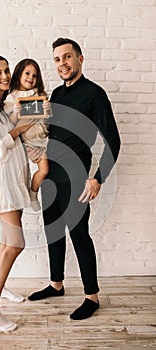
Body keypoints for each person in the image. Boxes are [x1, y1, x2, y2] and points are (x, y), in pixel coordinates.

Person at [27, 38, 121, 320]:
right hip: (49, 176)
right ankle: (56, 284)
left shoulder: (95, 94)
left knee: (79, 234)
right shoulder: (54, 94)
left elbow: (113, 140)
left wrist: (98, 179)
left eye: (67, 57)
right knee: (52, 231)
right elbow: (33, 125)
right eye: (57, 59)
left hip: (77, 177)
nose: (62, 64)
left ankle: (91, 296)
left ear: (80, 58)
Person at [0, 55, 36, 332]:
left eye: (6, 71)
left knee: (6, 241)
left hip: (15, 177)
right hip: (1, 180)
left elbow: (24, 129)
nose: (4, 76)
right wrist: (19, 129)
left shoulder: (5, 106)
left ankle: (2, 287)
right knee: (15, 243)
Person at [4, 58, 50, 211]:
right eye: (27, 73)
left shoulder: (40, 95)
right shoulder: (12, 97)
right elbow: (8, 125)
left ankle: (32, 193)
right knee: (41, 170)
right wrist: (16, 113)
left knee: (45, 170)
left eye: (35, 75)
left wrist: (48, 109)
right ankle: (32, 194)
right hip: (28, 141)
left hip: (44, 138)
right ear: (19, 75)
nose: (31, 77)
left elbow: (47, 120)